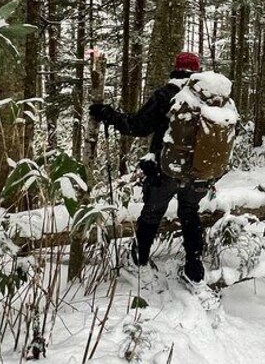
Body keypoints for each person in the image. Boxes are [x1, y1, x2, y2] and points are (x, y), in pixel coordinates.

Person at [88, 52, 211, 292]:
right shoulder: (208, 97)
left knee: (152, 214)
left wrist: (106, 114)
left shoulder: (167, 95)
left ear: (176, 69)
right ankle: (194, 272)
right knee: (190, 214)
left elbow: (137, 126)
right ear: (197, 71)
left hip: (167, 171)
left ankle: (139, 260)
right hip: (198, 172)